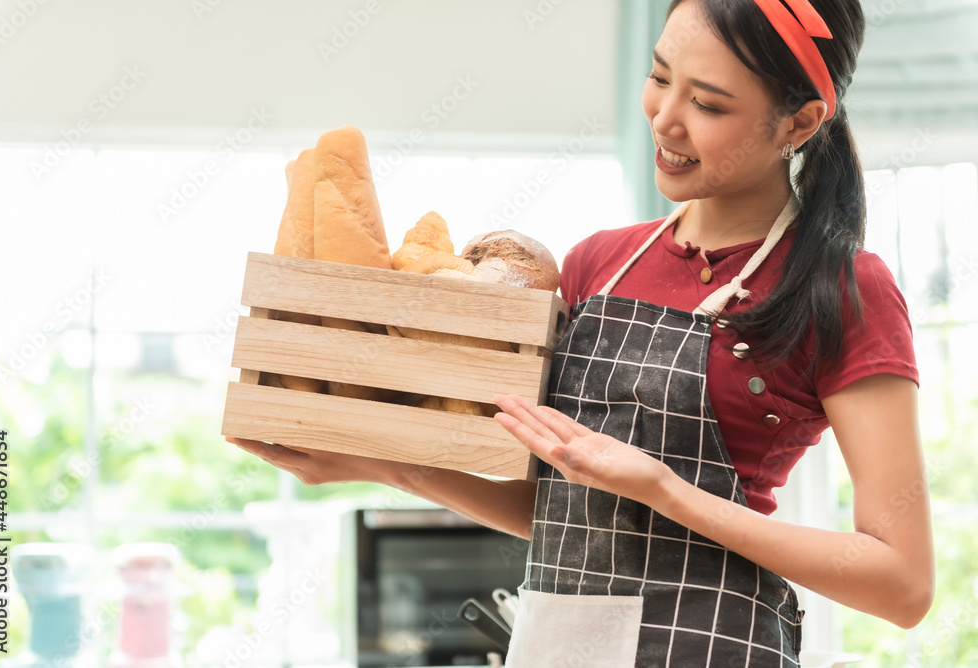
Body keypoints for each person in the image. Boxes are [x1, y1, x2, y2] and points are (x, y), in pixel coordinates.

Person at [227, 0, 935, 664]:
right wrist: (383, 464)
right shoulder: (597, 262)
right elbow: (569, 514)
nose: (665, 119)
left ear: (800, 123)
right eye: (659, 77)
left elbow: (901, 585)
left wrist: (663, 488)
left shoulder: (842, 290)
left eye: (709, 103)